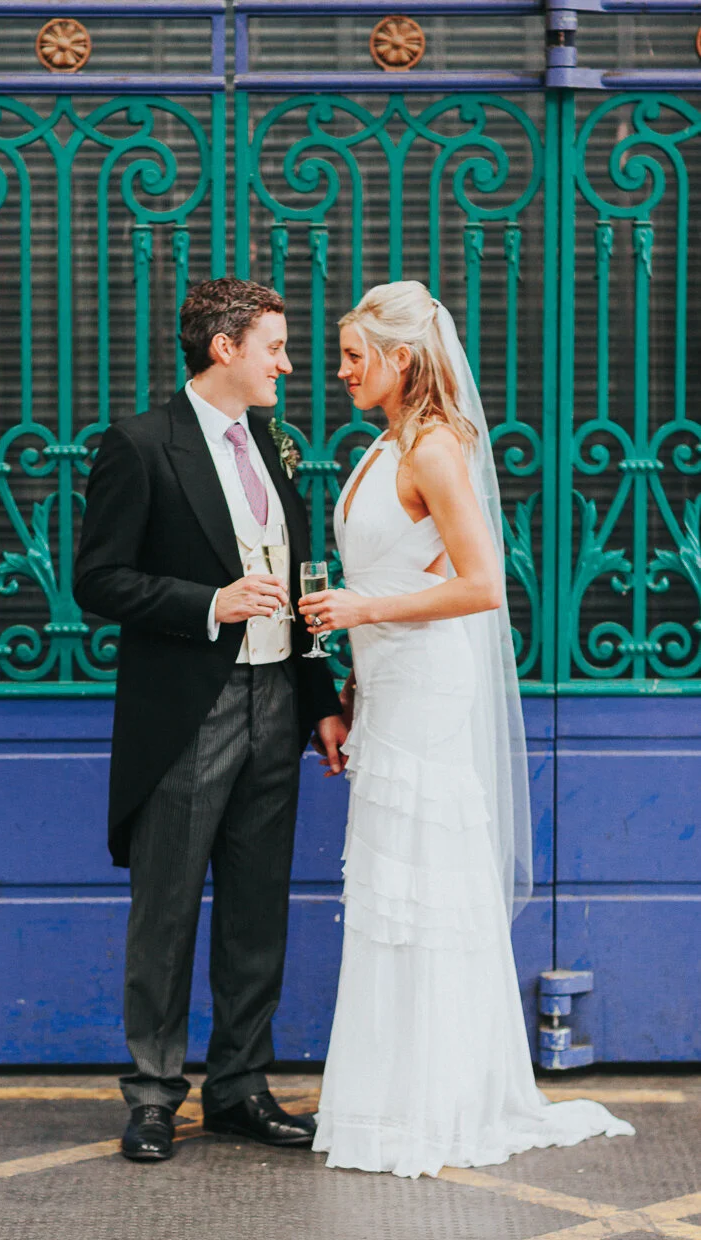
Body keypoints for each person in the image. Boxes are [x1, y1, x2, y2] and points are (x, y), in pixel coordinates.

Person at [299, 281, 634, 1179]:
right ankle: (391, 1094)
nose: (340, 372)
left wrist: (360, 609)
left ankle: (436, 1102)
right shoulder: (384, 446)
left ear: (401, 360)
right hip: (389, 684)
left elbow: (484, 587)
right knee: (390, 891)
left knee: (426, 887)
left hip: (428, 690)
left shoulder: (436, 449)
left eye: (353, 356)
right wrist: (355, 670)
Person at [74, 277, 346, 1163]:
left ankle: (238, 1089)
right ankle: (153, 1095)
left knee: (256, 910)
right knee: (166, 911)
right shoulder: (140, 444)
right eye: (274, 345)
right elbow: (98, 579)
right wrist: (211, 602)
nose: (288, 362)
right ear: (223, 347)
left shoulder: (275, 443)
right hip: (192, 709)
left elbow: (298, 582)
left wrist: (320, 704)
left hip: (277, 703)